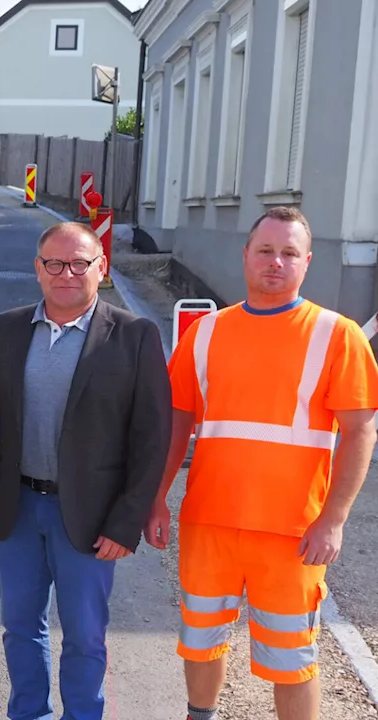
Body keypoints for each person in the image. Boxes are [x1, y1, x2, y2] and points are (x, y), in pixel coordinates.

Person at [145, 206, 378, 720]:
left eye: (289, 253)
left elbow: (362, 431)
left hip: (292, 533)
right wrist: (156, 498)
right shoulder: (204, 333)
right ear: (246, 256)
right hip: (210, 523)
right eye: (266, 250)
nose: (276, 262)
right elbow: (175, 423)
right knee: (200, 642)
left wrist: (333, 520)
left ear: (307, 262)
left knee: (291, 659)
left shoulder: (337, 336)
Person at [0, 221, 172, 720]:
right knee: (20, 627)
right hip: (17, 508)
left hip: (92, 518)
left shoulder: (134, 336)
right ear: (38, 270)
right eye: (54, 263)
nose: (67, 273)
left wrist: (125, 522)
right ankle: (28, 713)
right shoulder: (7, 329)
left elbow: (151, 438)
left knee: (85, 635)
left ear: (101, 268)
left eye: (80, 263)